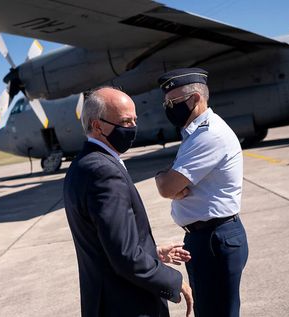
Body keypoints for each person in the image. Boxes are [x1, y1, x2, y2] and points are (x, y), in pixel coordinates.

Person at [63, 87, 193, 317]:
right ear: (97, 125)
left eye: (134, 120)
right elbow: (125, 255)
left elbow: (108, 241)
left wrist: (153, 252)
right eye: (125, 122)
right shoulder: (103, 171)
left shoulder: (82, 165)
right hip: (127, 304)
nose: (133, 128)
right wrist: (174, 281)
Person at [155, 68, 249, 317]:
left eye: (173, 102)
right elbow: (173, 183)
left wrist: (162, 178)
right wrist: (171, 180)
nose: (168, 108)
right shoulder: (194, 134)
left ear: (196, 99)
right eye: (166, 102)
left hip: (214, 239)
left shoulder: (209, 135)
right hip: (205, 237)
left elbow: (167, 187)